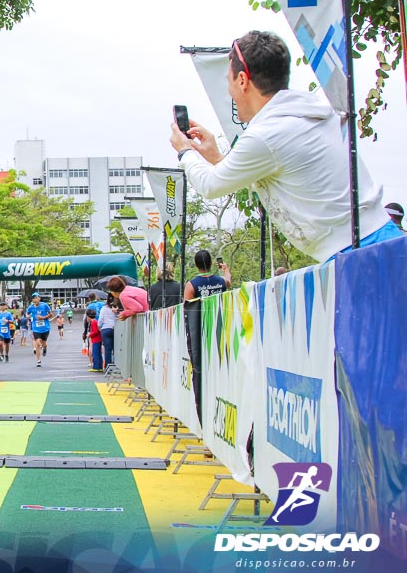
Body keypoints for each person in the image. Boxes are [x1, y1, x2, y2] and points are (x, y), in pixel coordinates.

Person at [170, 30, 397, 263]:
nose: (230, 92)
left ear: (242, 80)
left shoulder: (268, 134)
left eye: (229, 82)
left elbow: (210, 185)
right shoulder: (307, 111)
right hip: (380, 239)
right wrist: (218, 159)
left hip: (359, 253)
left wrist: (185, 151)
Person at [183, 250, 232, 425]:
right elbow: (228, 282)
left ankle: (204, 418)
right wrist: (225, 270)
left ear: (196, 265)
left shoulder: (192, 285)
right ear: (212, 263)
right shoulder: (220, 281)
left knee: (201, 374)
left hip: (200, 338)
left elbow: (187, 309)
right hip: (221, 334)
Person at [26, 292, 51, 367]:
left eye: (36, 298)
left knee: (44, 343)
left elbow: (50, 314)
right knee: (37, 343)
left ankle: (45, 347)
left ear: (39, 298)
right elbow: (27, 313)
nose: (35, 299)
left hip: (45, 328)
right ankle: (38, 361)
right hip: (36, 328)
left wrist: (42, 317)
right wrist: (28, 317)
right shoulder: (31, 307)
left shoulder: (44, 305)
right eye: (33, 298)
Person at [97, 296, 119, 369]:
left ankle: (108, 367)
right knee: (116, 348)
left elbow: (100, 319)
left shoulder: (104, 308)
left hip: (105, 329)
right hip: (116, 328)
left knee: (107, 349)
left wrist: (99, 326)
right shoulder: (118, 308)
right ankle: (117, 365)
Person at [86, 308, 103, 373]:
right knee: (98, 354)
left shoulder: (93, 322)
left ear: (88, 317)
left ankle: (96, 367)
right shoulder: (95, 321)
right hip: (98, 339)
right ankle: (100, 366)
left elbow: (95, 331)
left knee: (95, 353)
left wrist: (90, 334)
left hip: (96, 340)